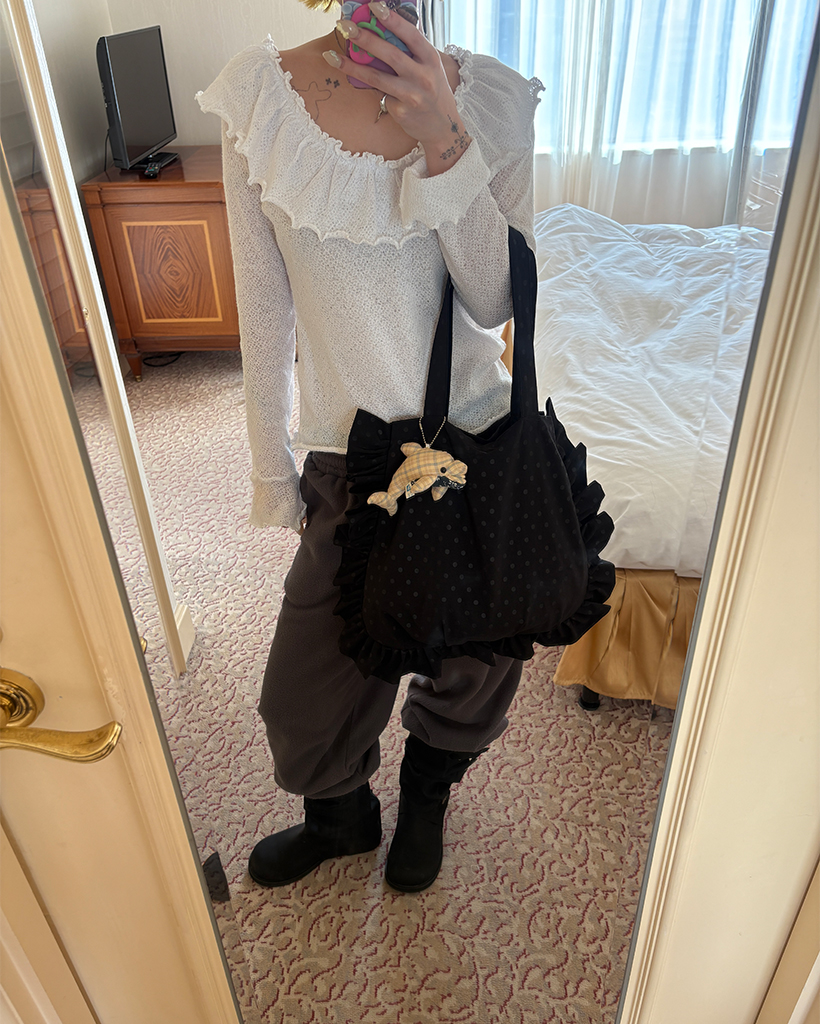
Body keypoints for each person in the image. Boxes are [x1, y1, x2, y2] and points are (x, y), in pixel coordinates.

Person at [196, 0, 543, 893]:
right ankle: (343, 817)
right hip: (345, 462)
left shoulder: (494, 101)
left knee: (475, 661)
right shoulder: (260, 99)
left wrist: (445, 139)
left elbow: (497, 302)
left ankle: (428, 793)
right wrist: (272, 474)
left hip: (472, 447)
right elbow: (264, 313)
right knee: (303, 694)